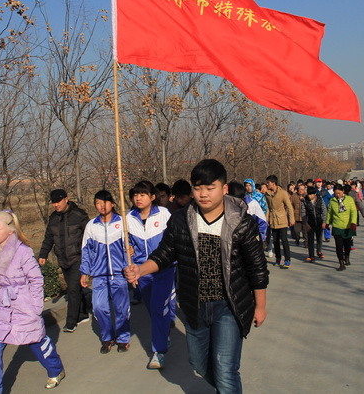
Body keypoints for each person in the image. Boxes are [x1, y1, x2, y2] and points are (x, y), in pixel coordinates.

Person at [125, 159, 269, 394]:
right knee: (199, 364)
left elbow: (257, 268)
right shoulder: (181, 220)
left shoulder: (241, 222)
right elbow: (164, 254)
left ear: (223, 189)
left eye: (210, 188)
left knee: (225, 367)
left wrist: (260, 306)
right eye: (197, 187)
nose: (203, 194)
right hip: (194, 305)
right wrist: (140, 269)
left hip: (229, 307)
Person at [0, 211, 65, 393]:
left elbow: (36, 279)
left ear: (10, 230)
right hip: (2, 306)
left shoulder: (23, 251)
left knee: (35, 340)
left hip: (23, 302)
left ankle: (55, 369)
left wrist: (36, 307)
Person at [127, 181, 173, 369]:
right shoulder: (128, 219)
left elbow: (173, 239)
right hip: (142, 271)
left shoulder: (163, 214)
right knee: (153, 310)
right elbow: (126, 244)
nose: (138, 198)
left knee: (158, 306)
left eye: (143, 194)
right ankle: (163, 333)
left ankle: (158, 351)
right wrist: (127, 250)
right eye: (136, 195)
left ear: (152, 197)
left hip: (164, 269)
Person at [80, 190, 131, 354]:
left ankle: (123, 338)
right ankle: (107, 337)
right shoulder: (91, 225)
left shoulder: (122, 223)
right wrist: (84, 272)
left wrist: (130, 256)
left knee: (121, 308)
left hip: (119, 274)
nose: (102, 205)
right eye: (98, 202)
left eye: (105, 202)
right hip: (99, 275)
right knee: (99, 307)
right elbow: (86, 250)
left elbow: (131, 246)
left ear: (113, 204)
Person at [38, 189, 91, 333]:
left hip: (77, 258)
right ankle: (83, 313)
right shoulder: (53, 218)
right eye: (53, 202)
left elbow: (89, 236)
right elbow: (49, 237)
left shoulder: (79, 215)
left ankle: (71, 322)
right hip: (63, 259)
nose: (56, 205)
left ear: (66, 199)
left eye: (58, 201)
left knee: (72, 290)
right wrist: (43, 254)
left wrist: (89, 257)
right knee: (76, 288)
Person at [326, 185, 358, 271]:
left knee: (347, 245)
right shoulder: (332, 201)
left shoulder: (349, 199)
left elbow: (353, 212)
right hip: (337, 226)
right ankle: (341, 263)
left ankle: (347, 257)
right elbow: (329, 213)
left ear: (343, 191)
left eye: (339, 193)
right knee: (339, 245)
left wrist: (353, 223)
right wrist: (327, 222)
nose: (338, 195)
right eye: (336, 193)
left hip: (348, 226)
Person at [265, 175, 295, 268]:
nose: (267, 184)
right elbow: (267, 208)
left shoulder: (283, 193)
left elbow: (289, 206)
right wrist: (267, 219)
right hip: (273, 220)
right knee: (275, 241)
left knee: (284, 240)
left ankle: (287, 259)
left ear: (273, 183)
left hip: (282, 220)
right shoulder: (267, 194)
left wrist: (291, 219)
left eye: (268, 182)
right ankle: (278, 258)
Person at [301, 187, 327, 262]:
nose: (310, 196)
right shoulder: (305, 201)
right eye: (308, 194)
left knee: (319, 238)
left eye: (311, 194)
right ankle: (311, 255)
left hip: (319, 221)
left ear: (315, 194)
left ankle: (319, 251)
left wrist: (324, 221)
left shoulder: (320, 200)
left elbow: (324, 210)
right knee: (310, 240)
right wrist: (305, 223)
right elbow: (303, 213)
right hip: (310, 223)